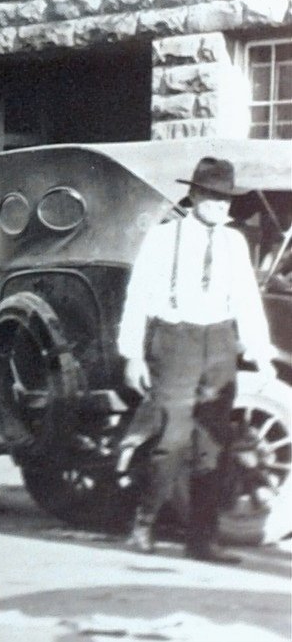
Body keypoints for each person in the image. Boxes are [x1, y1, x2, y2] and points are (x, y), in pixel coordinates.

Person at [119, 156, 275, 562]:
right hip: (175, 341)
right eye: (213, 197)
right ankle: (144, 523)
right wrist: (132, 354)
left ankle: (202, 539)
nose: (222, 206)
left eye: (227, 199)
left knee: (213, 446)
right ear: (194, 195)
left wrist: (259, 350)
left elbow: (246, 300)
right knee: (170, 440)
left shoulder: (233, 242)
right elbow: (137, 298)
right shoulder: (162, 238)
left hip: (219, 342)